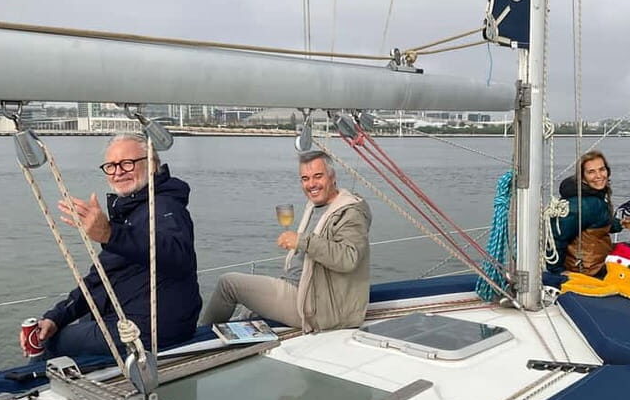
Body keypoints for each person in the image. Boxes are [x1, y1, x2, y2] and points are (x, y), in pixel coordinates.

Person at [21, 133, 202, 358]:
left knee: (51, 344)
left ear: (152, 165)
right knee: (73, 323)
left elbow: (178, 256)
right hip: (133, 316)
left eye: (127, 163)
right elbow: (101, 279)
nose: (117, 172)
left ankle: (31, 386)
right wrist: (56, 317)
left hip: (153, 329)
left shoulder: (164, 207)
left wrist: (110, 234)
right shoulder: (133, 209)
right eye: (111, 165)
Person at [199, 150, 371, 333]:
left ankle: (199, 340)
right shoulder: (316, 205)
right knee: (246, 310)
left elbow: (348, 258)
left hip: (320, 307)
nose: (311, 184)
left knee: (228, 284)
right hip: (301, 288)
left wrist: (302, 241)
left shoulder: (350, 213)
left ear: (332, 177)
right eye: (305, 179)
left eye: (317, 176)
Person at [549, 150, 622, 276]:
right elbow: (557, 236)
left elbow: (597, 221)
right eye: (591, 172)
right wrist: (557, 271)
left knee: (626, 248)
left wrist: (618, 224)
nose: (599, 175)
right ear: (582, 177)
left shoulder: (594, 197)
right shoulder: (583, 204)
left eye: (602, 169)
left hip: (595, 261)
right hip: (588, 269)